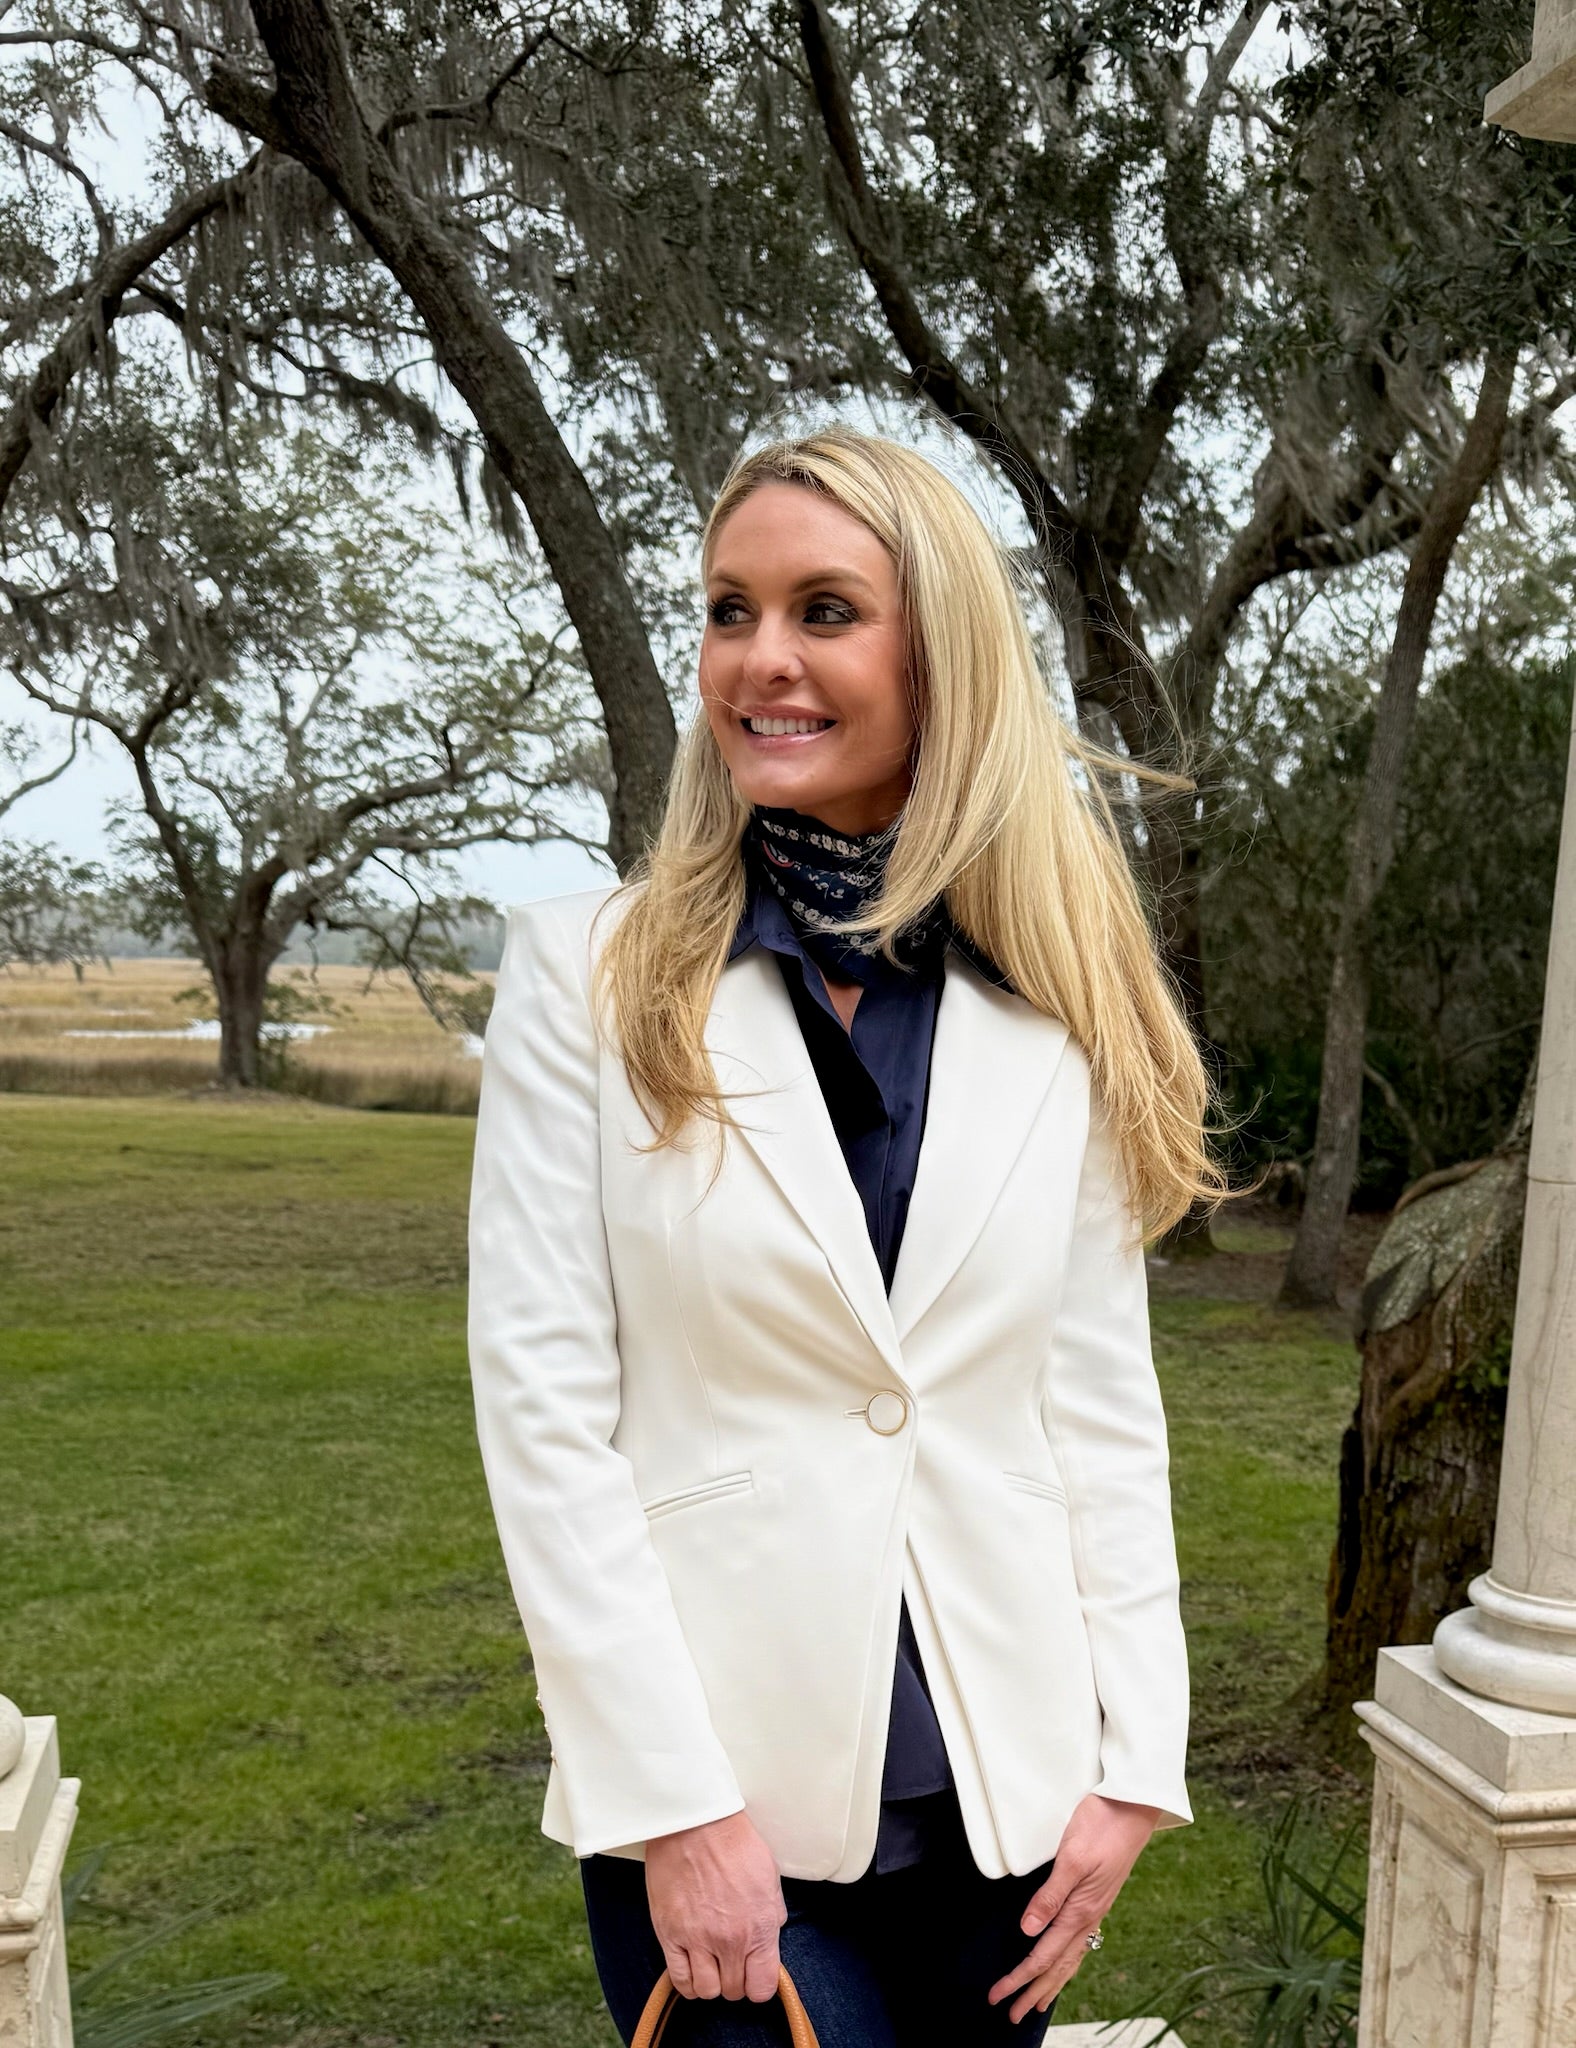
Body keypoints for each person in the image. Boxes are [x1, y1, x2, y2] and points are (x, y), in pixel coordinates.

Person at [467, 425, 1225, 2046]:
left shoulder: (1055, 1004)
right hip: (724, 1804)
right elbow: (543, 1421)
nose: (762, 659)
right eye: (729, 611)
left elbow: (1096, 1409)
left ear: (939, 656)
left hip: (1004, 1810)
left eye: (825, 611)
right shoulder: (587, 981)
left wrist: (1132, 1768)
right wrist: (675, 1811)